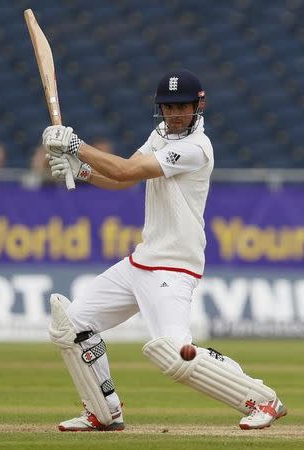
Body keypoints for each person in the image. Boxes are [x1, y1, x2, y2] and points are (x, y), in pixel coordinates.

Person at [42, 69, 287, 432]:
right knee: (71, 326)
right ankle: (103, 411)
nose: (174, 114)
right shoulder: (160, 134)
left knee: (174, 353)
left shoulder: (196, 148)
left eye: (181, 107)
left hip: (174, 267)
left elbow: (126, 170)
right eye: (168, 107)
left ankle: (262, 399)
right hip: (141, 261)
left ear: (197, 106)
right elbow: (123, 178)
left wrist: (76, 146)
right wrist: (83, 172)